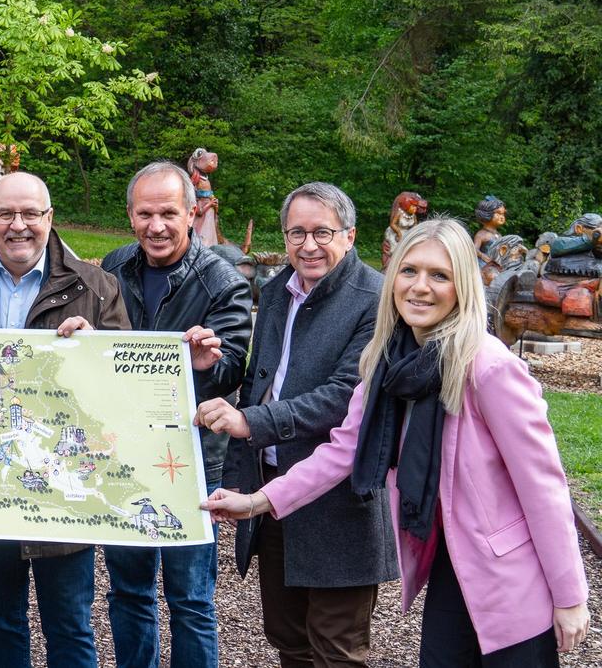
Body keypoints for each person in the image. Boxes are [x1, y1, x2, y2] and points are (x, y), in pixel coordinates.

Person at [205, 219, 590, 667]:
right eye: (409, 272)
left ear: (462, 285)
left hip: (509, 576)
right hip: (452, 566)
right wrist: (257, 501)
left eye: (439, 275)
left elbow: (543, 488)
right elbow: (342, 451)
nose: (420, 287)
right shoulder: (388, 364)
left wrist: (570, 597)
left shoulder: (487, 369)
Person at [196, 182, 394, 667]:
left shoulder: (376, 300)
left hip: (339, 503)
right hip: (272, 490)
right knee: (287, 637)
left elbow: (344, 397)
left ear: (349, 236)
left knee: (336, 649)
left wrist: (251, 421)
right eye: (296, 233)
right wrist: (208, 367)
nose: (308, 245)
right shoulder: (277, 291)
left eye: (322, 232)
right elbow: (260, 379)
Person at [0, 171, 130, 668]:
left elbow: (121, 389)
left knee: (70, 624)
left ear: (49, 219)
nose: (18, 225)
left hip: (63, 488)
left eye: (31, 214)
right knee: (0, 617)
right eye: (6, 213)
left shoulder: (97, 287)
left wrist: (95, 351)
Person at [100, 160, 252, 668]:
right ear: (130, 215)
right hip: (124, 452)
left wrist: (211, 365)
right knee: (129, 591)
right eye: (145, 214)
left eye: (168, 212)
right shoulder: (113, 268)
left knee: (190, 597)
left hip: (190, 458)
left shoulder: (222, 282)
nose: (156, 226)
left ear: (192, 214)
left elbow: (233, 370)